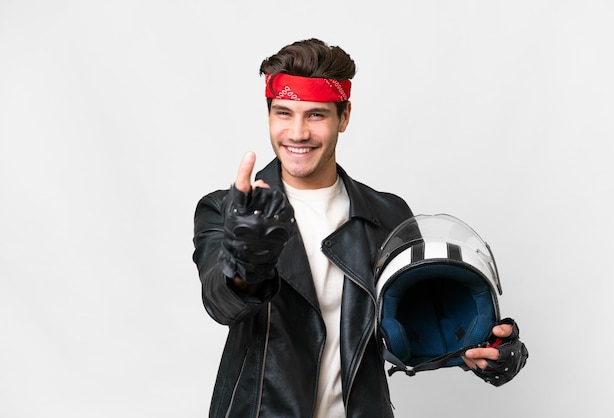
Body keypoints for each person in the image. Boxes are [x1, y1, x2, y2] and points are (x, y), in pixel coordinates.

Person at [192, 38, 528, 418]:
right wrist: (246, 264)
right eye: (283, 113)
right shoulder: (225, 210)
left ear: (344, 116)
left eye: (316, 115)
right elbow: (220, 303)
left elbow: (412, 324)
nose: (297, 133)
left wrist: (483, 348)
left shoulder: (388, 214)